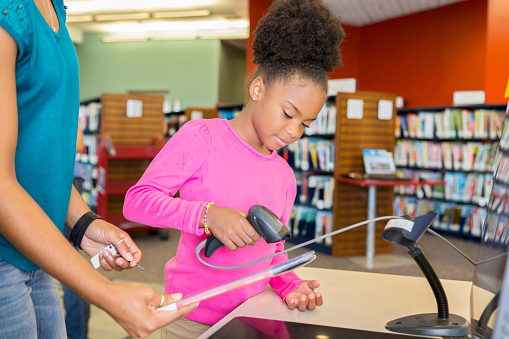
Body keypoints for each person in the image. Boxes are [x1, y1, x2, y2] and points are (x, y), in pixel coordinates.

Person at [123, 0, 345, 337]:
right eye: (288, 114)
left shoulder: (284, 175)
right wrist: (207, 216)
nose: (294, 132)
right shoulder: (202, 137)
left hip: (254, 315)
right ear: (258, 89)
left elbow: (273, 253)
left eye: (306, 125)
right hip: (192, 318)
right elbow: (137, 202)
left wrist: (290, 285)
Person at [0, 1, 195, 338]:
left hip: (36, 255)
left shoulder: (56, 10)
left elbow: (37, 161)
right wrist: (106, 293)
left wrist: (83, 224)